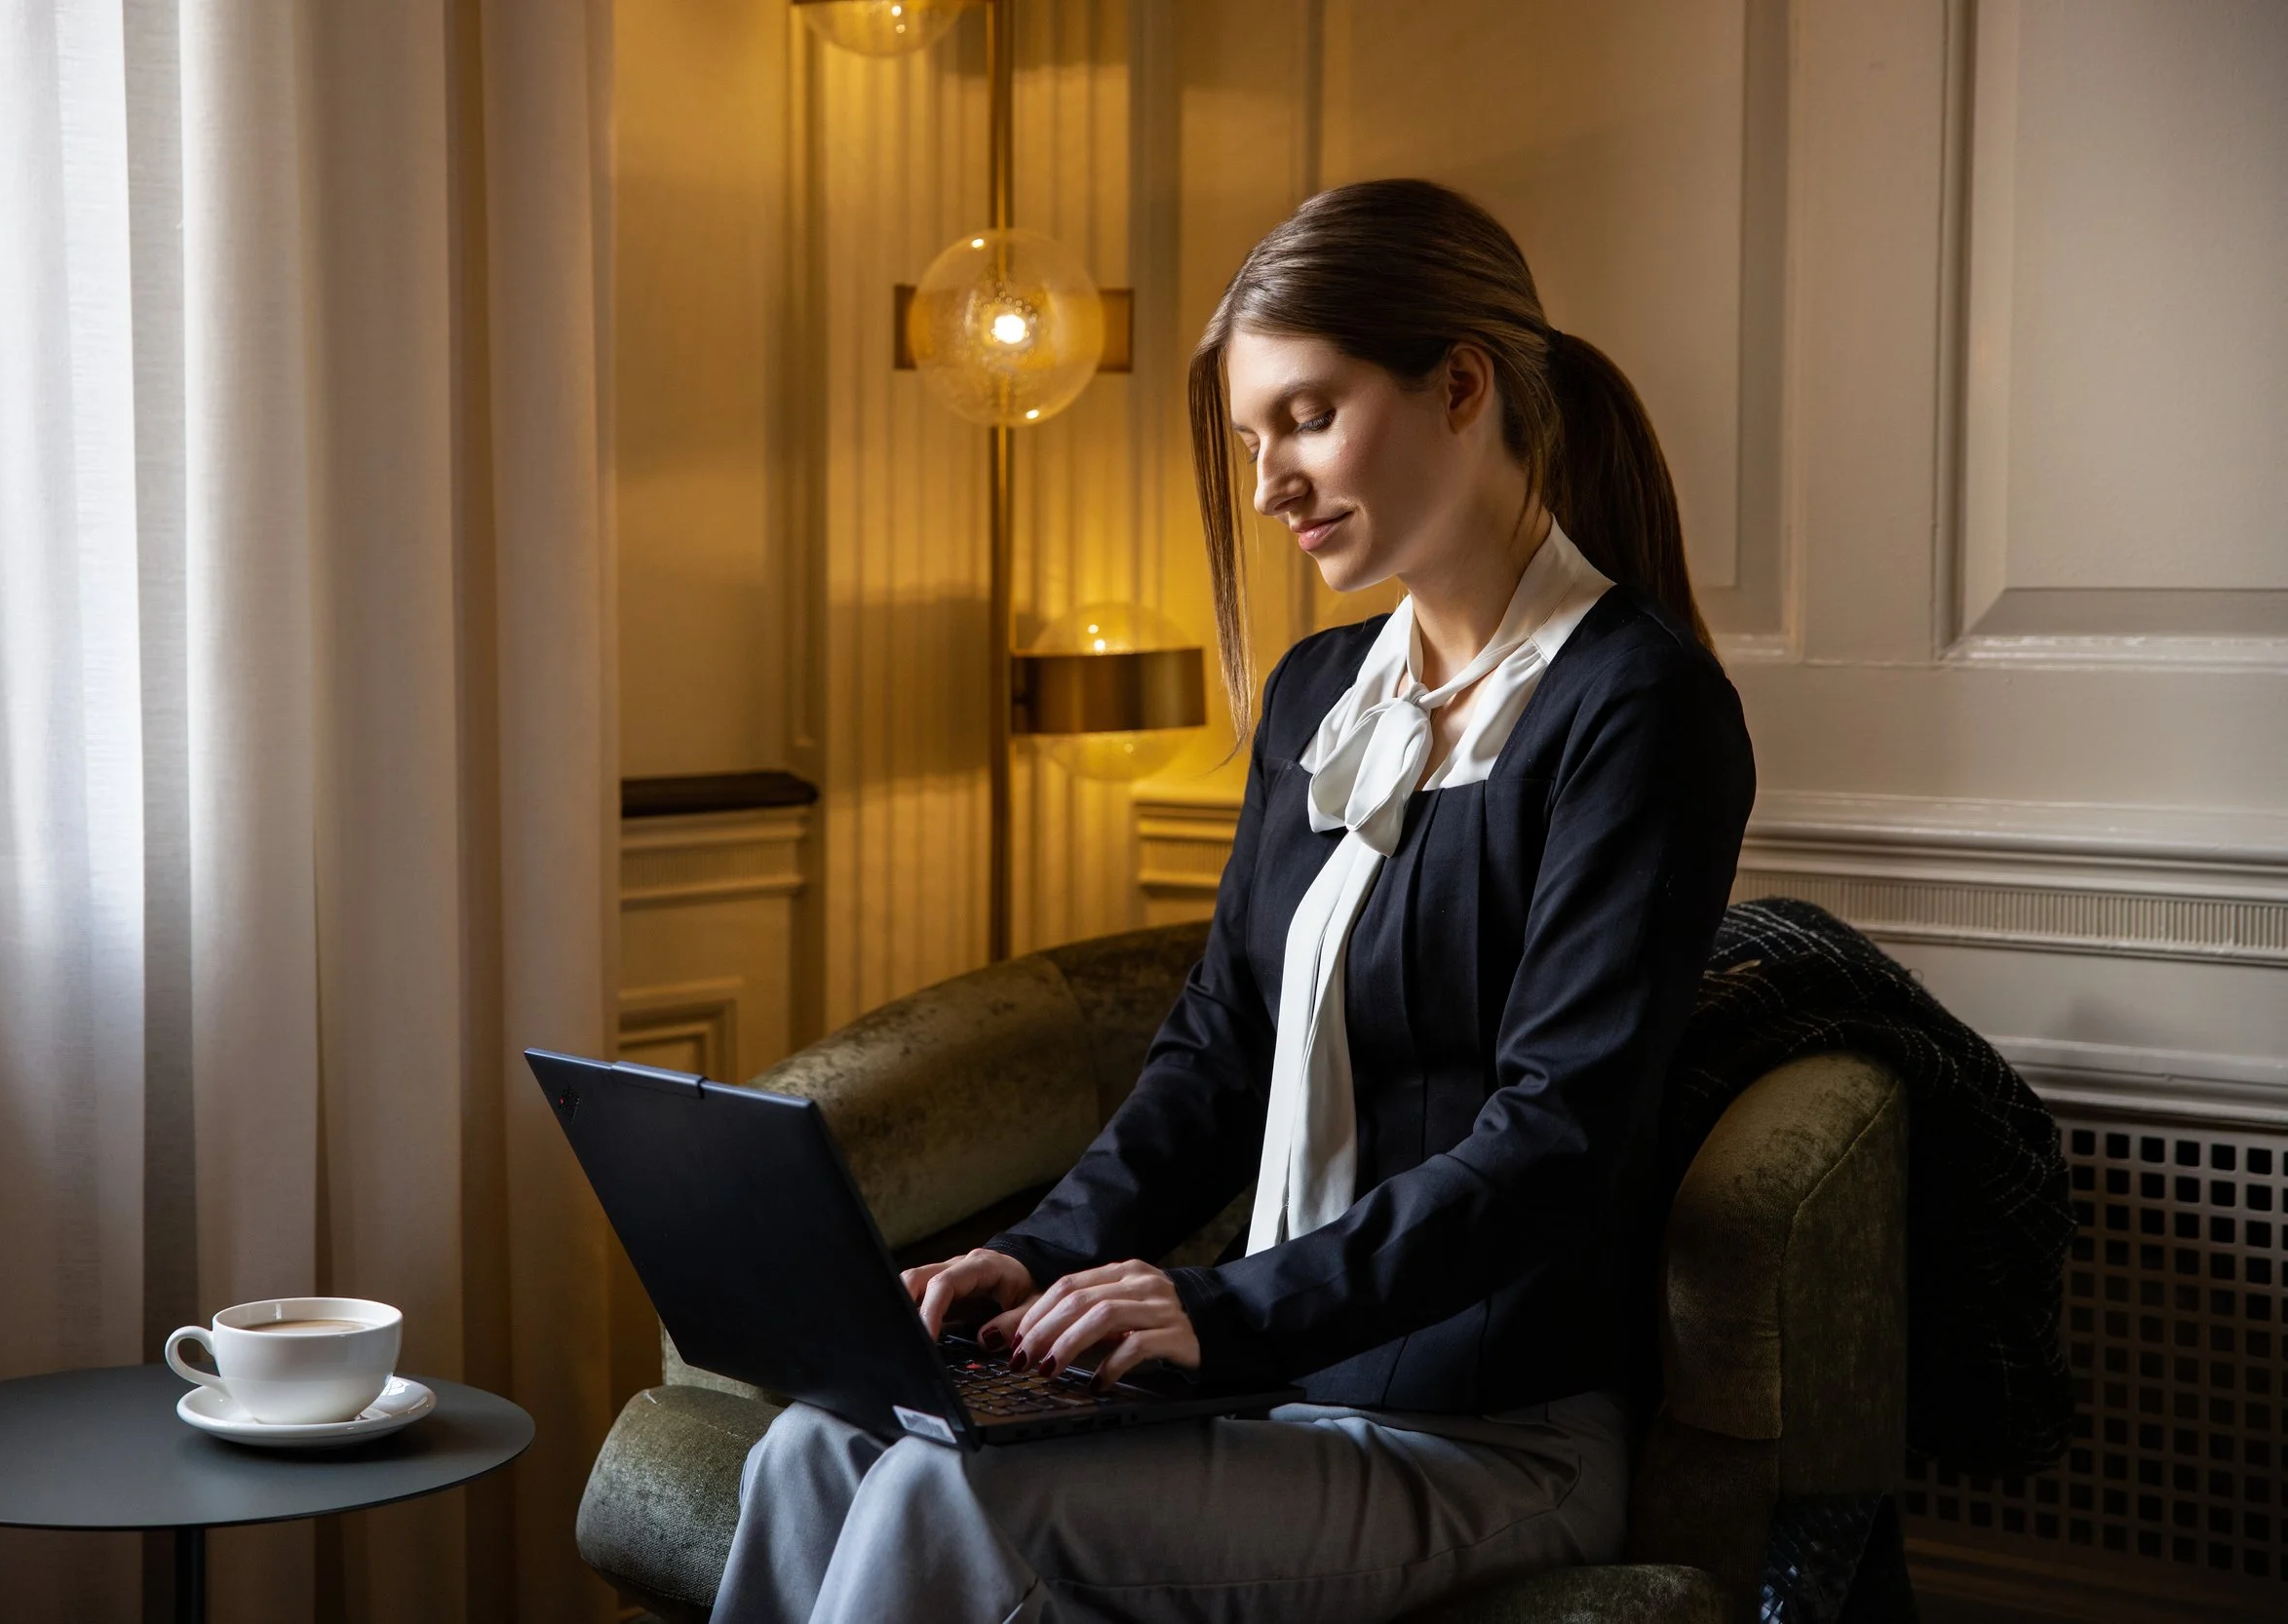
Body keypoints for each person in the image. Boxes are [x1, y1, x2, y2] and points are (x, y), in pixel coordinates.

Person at [713, 177, 1758, 1624]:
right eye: (1252, 437)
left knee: (947, 1486)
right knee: (818, 1444)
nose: (1268, 484)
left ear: (1462, 385)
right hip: (1285, 1386)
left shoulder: (1638, 709)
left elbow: (1553, 1141)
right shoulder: (1322, 693)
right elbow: (1216, 1048)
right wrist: (1036, 1250)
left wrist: (1213, 1307)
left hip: (1484, 1436)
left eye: (1308, 418)